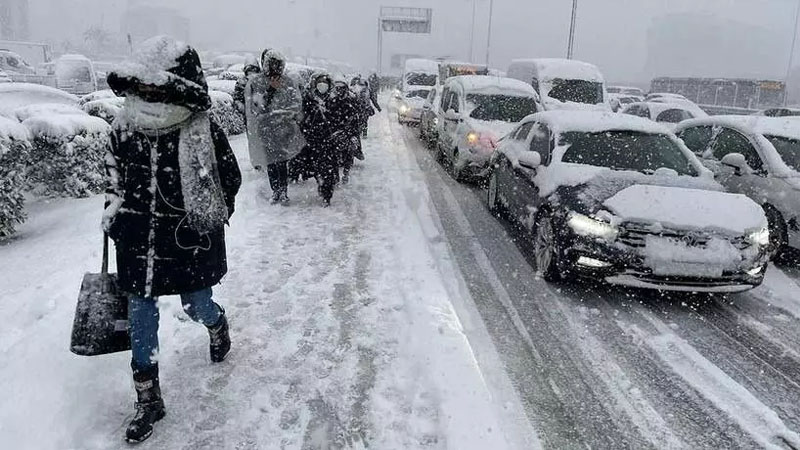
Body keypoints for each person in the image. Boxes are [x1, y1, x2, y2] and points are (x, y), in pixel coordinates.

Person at [103, 35, 242, 444]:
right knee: (141, 314)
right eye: (141, 87)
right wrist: (115, 216)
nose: (147, 94)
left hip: (187, 240)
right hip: (138, 239)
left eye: (155, 87)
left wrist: (205, 219)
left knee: (194, 303)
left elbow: (228, 180)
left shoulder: (202, 129)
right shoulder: (124, 126)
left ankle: (217, 324)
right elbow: (112, 178)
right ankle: (148, 399)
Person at [244, 49, 305, 204]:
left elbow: (296, 104)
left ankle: (283, 191)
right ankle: (275, 191)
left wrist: (283, 115)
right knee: (270, 160)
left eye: (277, 64)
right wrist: (270, 91)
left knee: (282, 161)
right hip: (266, 128)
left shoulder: (288, 82)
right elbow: (255, 106)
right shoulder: (257, 82)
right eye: (271, 64)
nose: (274, 68)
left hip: (284, 129)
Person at [300, 72, 338, 205]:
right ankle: (321, 183)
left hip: (329, 140)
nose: (322, 85)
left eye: (325, 82)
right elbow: (303, 118)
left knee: (328, 168)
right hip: (313, 140)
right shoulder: (309, 99)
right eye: (319, 82)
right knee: (317, 167)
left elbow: (338, 118)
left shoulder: (334, 99)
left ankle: (327, 193)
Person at [327, 79, 361, 184]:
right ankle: (335, 176)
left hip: (348, 132)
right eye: (337, 89)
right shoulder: (331, 101)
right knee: (333, 156)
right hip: (335, 132)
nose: (339, 91)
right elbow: (328, 117)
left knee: (349, 153)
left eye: (341, 89)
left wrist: (352, 133)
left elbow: (355, 117)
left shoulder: (351, 101)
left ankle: (346, 173)